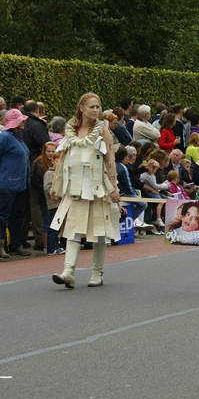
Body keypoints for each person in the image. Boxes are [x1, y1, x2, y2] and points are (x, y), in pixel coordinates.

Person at [50, 93, 122, 288]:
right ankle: (68, 272)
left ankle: (97, 273)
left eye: (98, 107)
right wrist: (56, 183)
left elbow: (110, 161)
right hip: (75, 188)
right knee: (72, 230)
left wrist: (114, 189)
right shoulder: (70, 130)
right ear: (81, 107)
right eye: (91, 106)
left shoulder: (103, 131)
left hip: (98, 188)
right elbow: (62, 158)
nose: (96, 110)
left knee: (98, 232)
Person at [0, 108, 32, 256]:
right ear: (15, 122)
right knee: (3, 215)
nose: (24, 122)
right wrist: (0, 172)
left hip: (20, 184)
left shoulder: (19, 136)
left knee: (17, 215)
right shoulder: (4, 137)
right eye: (21, 120)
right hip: (7, 184)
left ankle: (15, 245)